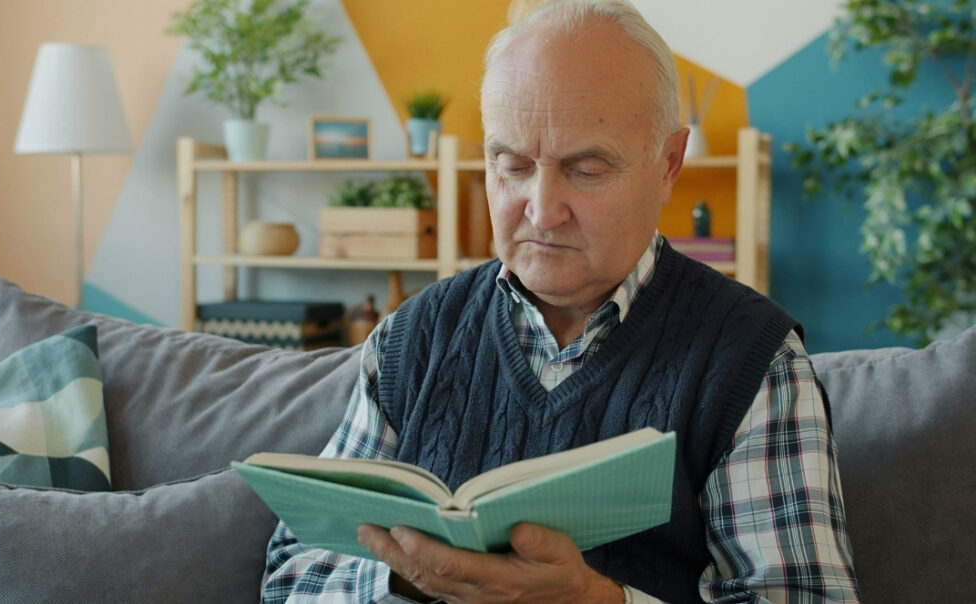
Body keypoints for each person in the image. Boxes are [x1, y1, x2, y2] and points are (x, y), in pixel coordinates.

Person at [262, 1, 860, 601]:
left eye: (587, 169)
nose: (542, 210)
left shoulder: (752, 360)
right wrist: (406, 573)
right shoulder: (411, 337)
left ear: (668, 164)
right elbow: (292, 574)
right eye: (513, 165)